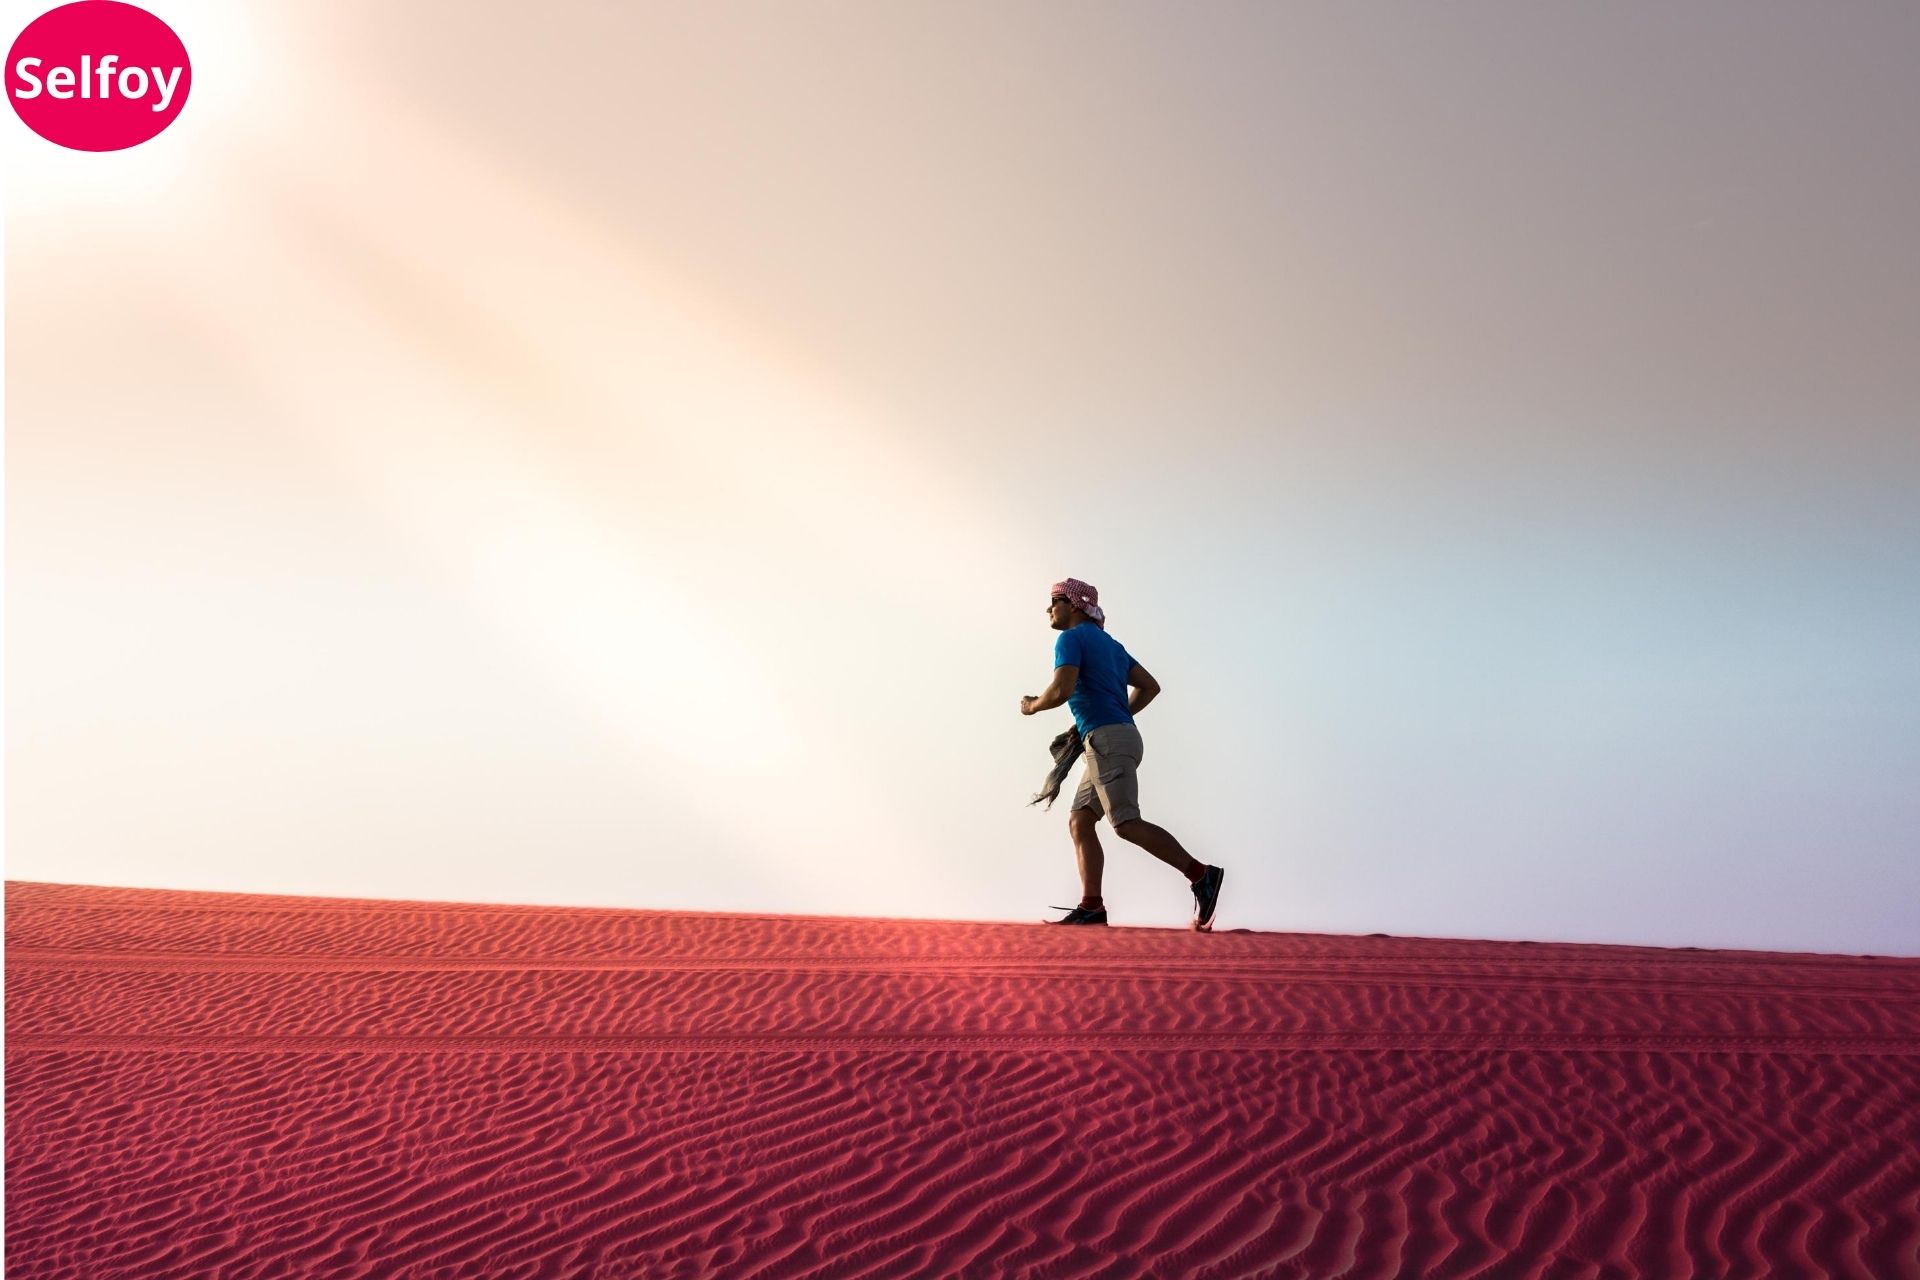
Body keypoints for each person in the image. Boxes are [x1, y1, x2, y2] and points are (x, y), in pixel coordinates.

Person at [1020, 578, 1224, 930]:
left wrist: (1032, 706)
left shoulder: (1069, 638)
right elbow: (1150, 686)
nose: (1048, 609)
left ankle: (1201, 874)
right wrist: (1119, 716)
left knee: (1125, 823)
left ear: (1075, 605)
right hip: (1115, 738)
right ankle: (1092, 906)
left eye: (1054, 601)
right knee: (1080, 821)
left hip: (1108, 741)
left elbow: (1061, 689)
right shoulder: (1111, 645)